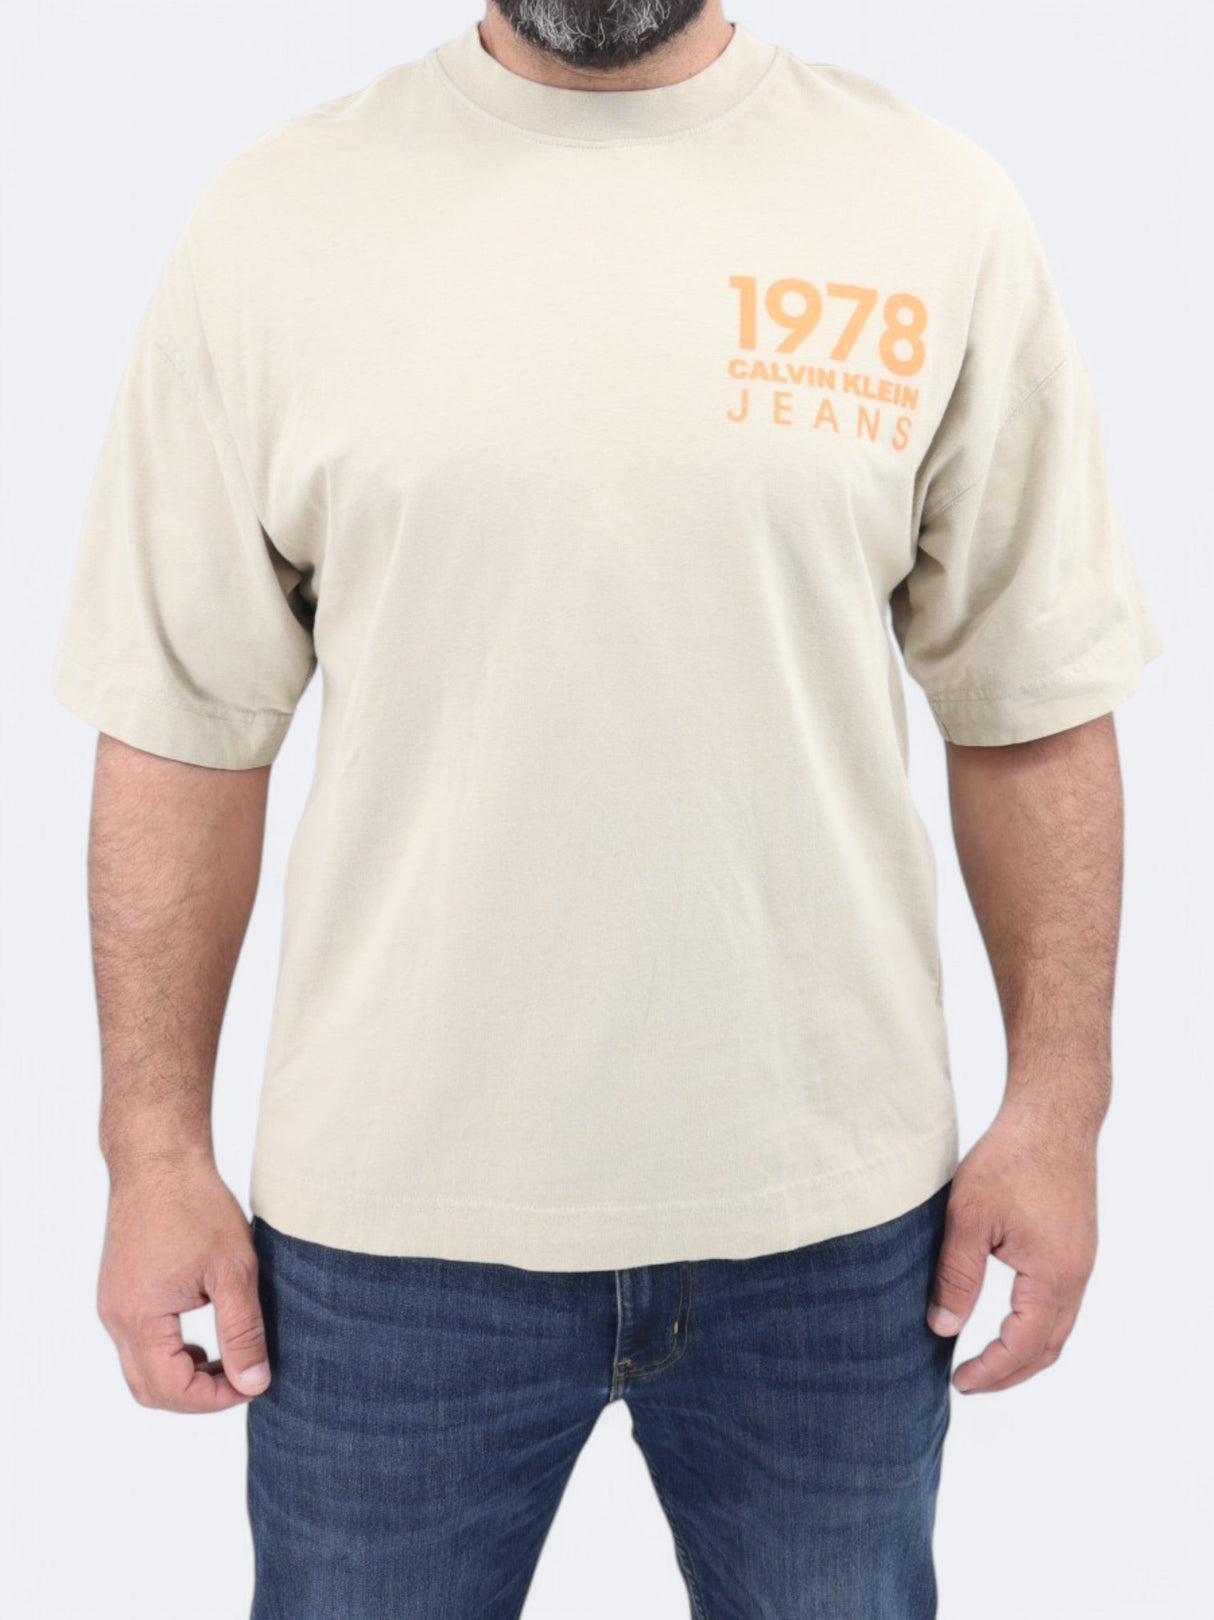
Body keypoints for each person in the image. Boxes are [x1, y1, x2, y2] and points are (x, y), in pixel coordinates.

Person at [50, 3, 1162, 1615]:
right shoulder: (277, 224)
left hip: (834, 1229)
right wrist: (149, 1152)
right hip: (383, 1240)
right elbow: (180, 734)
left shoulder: (928, 206)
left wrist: (1059, 1114)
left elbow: (1032, 706)